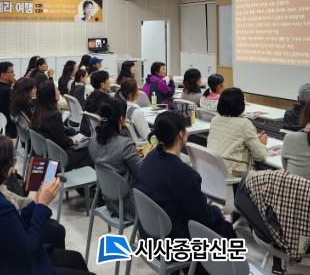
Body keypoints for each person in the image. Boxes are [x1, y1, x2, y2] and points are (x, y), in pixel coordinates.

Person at [0, 133, 91, 275]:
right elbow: (29, 247)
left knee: (76, 258)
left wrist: (36, 203)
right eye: (10, 162)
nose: (12, 168)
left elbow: (13, 220)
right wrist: (42, 205)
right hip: (16, 266)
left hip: (4, 257)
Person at [135, 111, 234, 240]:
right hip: (172, 239)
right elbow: (201, 216)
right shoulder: (185, 174)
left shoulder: (150, 157)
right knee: (226, 228)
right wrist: (217, 212)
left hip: (148, 232)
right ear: (181, 134)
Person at [88, 100, 141, 219]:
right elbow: (142, 174)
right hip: (130, 205)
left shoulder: (92, 141)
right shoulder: (125, 145)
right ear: (122, 119)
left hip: (109, 201)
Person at [207, 88, 268, 176]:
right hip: (233, 174)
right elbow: (261, 156)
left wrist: (254, 139)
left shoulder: (215, 120)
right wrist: (262, 144)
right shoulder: (244, 124)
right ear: (241, 105)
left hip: (213, 170)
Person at [32, 81, 92, 171]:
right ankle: (81, 178)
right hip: (58, 157)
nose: (59, 92)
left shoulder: (38, 111)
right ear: (51, 95)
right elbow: (62, 142)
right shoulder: (53, 115)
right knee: (88, 149)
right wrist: (72, 141)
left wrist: (70, 132)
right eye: (57, 90)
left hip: (47, 153)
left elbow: (54, 131)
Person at [117, 78, 150, 143]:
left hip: (128, 141)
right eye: (137, 90)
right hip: (141, 144)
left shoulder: (120, 106)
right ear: (130, 94)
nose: (139, 92)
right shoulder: (136, 112)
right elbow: (147, 136)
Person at [0, 61, 17, 138]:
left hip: (2, 125)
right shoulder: (6, 91)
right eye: (12, 72)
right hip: (11, 128)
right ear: (3, 75)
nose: (14, 74)